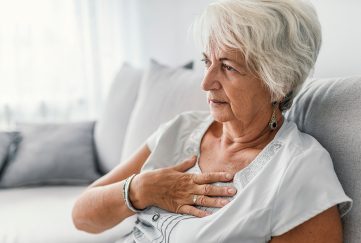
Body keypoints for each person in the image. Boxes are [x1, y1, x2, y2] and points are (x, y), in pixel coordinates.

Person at [72, 0, 352, 242]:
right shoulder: (181, 130)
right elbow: (82, 215)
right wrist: (142, 189)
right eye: (207, 62)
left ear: (279, 82)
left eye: (228, 67)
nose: (206, 83)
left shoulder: (298, 170)